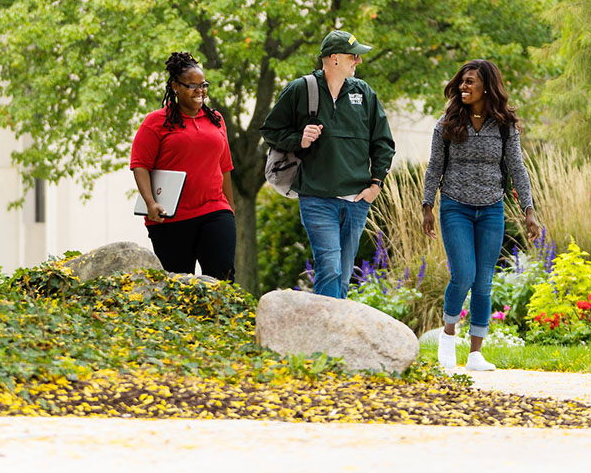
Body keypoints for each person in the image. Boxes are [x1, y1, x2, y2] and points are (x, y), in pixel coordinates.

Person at [422, 59, 540, 373]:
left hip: (491, 209)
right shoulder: (446, 123)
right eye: (461, 81)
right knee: (463, 275)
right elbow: (435, 167)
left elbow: (517, 169)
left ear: (486, 86)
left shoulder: (504, 125)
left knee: (484, 283)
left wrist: (529, 211)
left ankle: (476, 353)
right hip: (455, 207)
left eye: (470, 82)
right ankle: (448, 335)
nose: (463, 87)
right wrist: (427, 206)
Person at [260, 30, 395, 299]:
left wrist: (376, 185)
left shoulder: (364, 93)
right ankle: (327, 333)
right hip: (316, 198)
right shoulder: (301, 89)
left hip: (356, 200)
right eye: (352, 56)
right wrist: (300, 139)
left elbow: (383, 142)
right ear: (333, 58)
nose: (358, 61)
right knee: (329, 268)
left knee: (343, 274)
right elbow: (270, 131)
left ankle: (329, 333)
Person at [130, 51, 236, 280]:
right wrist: (150, 203)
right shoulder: (155, 122)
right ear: (175, 86)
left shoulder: (215, 119)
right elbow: (140, 165)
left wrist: (230, 210)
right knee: (178, 287)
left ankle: (217, 318)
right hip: (171, 218)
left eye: (203, 85)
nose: (200, 91)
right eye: (192, 85)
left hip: (215, 211)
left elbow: (225, 167)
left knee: (222, 279)